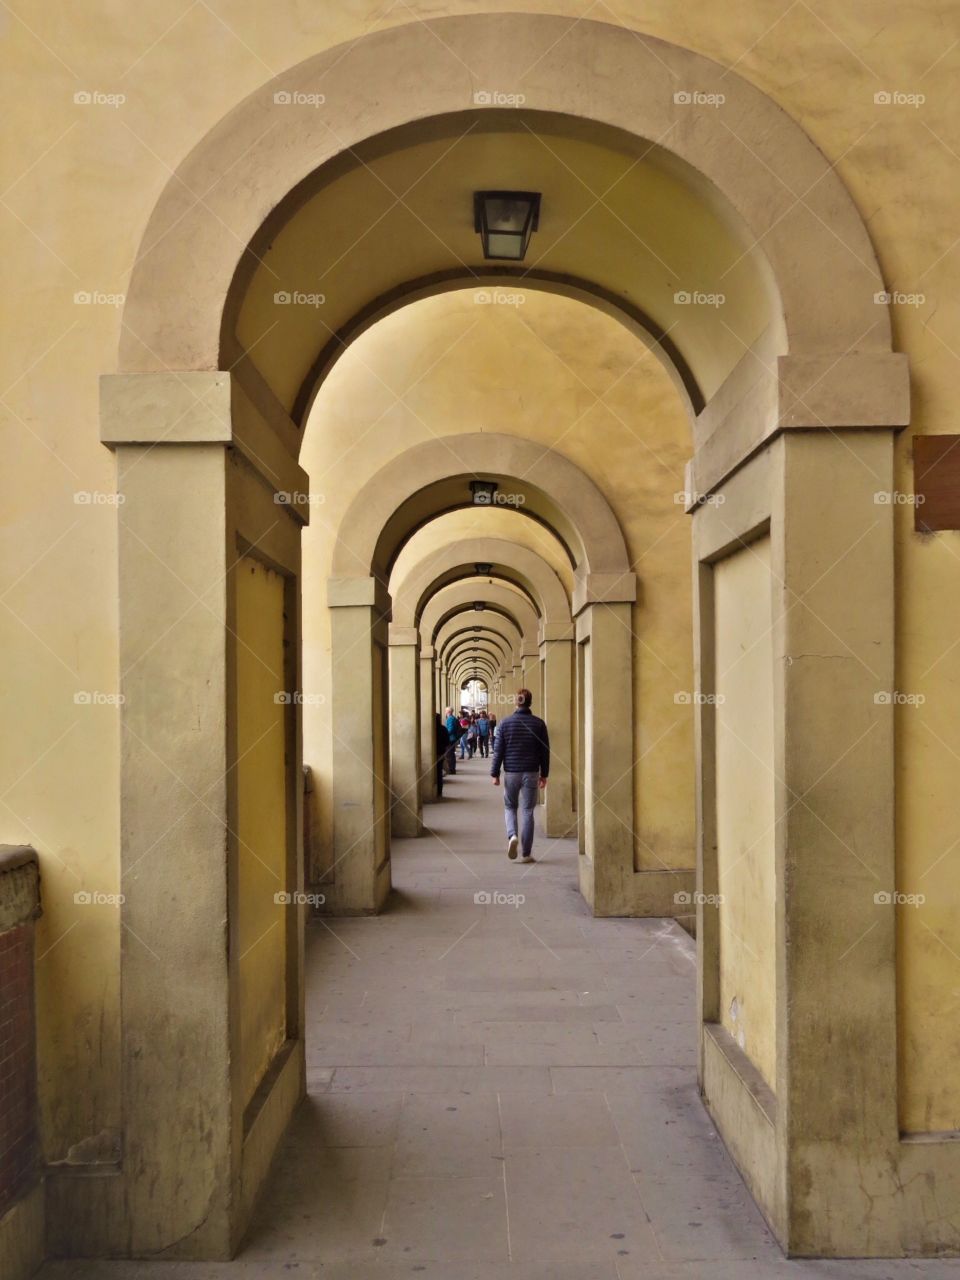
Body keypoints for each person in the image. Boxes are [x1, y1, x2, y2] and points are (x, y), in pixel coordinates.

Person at [490, 688, 549, 862]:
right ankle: (526, 854)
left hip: (511, 773)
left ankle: (512, 836)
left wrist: (495, 773)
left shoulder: (505, 723)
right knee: (528, 811)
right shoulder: (539, 724)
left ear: (516, 702)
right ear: (530, 702)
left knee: (510, 807)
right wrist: (544, 774)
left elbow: (498, 750)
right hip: (531, 772)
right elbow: (545, 752)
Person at [434, 712, 449, 797]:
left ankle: (438, 790)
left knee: (436, 772)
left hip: (434, 753)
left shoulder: (432, 729)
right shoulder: (443, 729)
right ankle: (439, 790)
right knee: (439, 771)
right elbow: (447, 741)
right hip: (441, 752)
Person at [443, 706, 459, 775]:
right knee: (451, 754)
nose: (445, 712)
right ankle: (452, 769)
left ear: (448, 712)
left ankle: (451, 769)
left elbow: (450, 729)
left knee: (449, 754)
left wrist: (445, 734)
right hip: (453, 738)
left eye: (445, 711)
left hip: (450, 738)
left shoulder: (450, 719)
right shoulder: (453, 718)